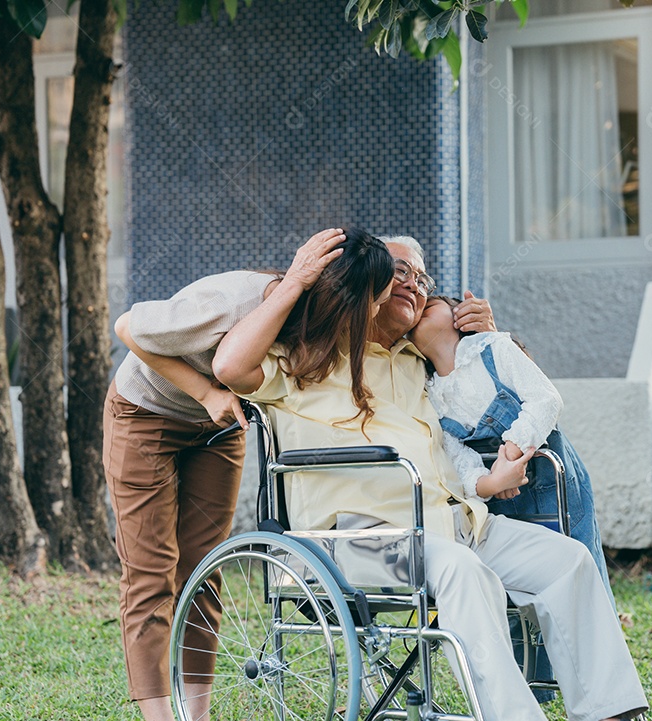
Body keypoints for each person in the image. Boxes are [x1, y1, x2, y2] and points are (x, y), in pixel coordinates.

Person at [213, 231, 649, 721]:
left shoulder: (417, 361)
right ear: (367, 286)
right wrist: (296, 281)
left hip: (456, 523)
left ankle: (611, 712)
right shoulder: (306, 359)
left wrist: (487, 334)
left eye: (422, 278)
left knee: (567, 562)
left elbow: (510, 394)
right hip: (362, 541)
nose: (414, 284)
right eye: (399, 271)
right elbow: (229, 365)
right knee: (461, 571)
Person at [103, 229, 493, 721]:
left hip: (223, 424)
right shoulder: (234, 299)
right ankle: (160, 717)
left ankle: (195, 713)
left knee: (203, 568)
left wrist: (474, 326)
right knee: (151, 572)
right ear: (343, 300)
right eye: (372, 305)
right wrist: (206, 394)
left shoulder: (326, 317)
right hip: (148, 412)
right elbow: (129, 331)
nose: (374, 316)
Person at [409, 295, 615, 607]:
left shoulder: (494, 349)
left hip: (548, 479)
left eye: (430, 304)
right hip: (497, 499)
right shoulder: (430, 396)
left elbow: (546, 400)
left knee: (576, 563)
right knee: (515, 590)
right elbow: (456, 459)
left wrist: (511, 453)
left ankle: (591, 640)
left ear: (459, 316)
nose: (421, 310)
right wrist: (490, 482)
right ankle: (524, 656)